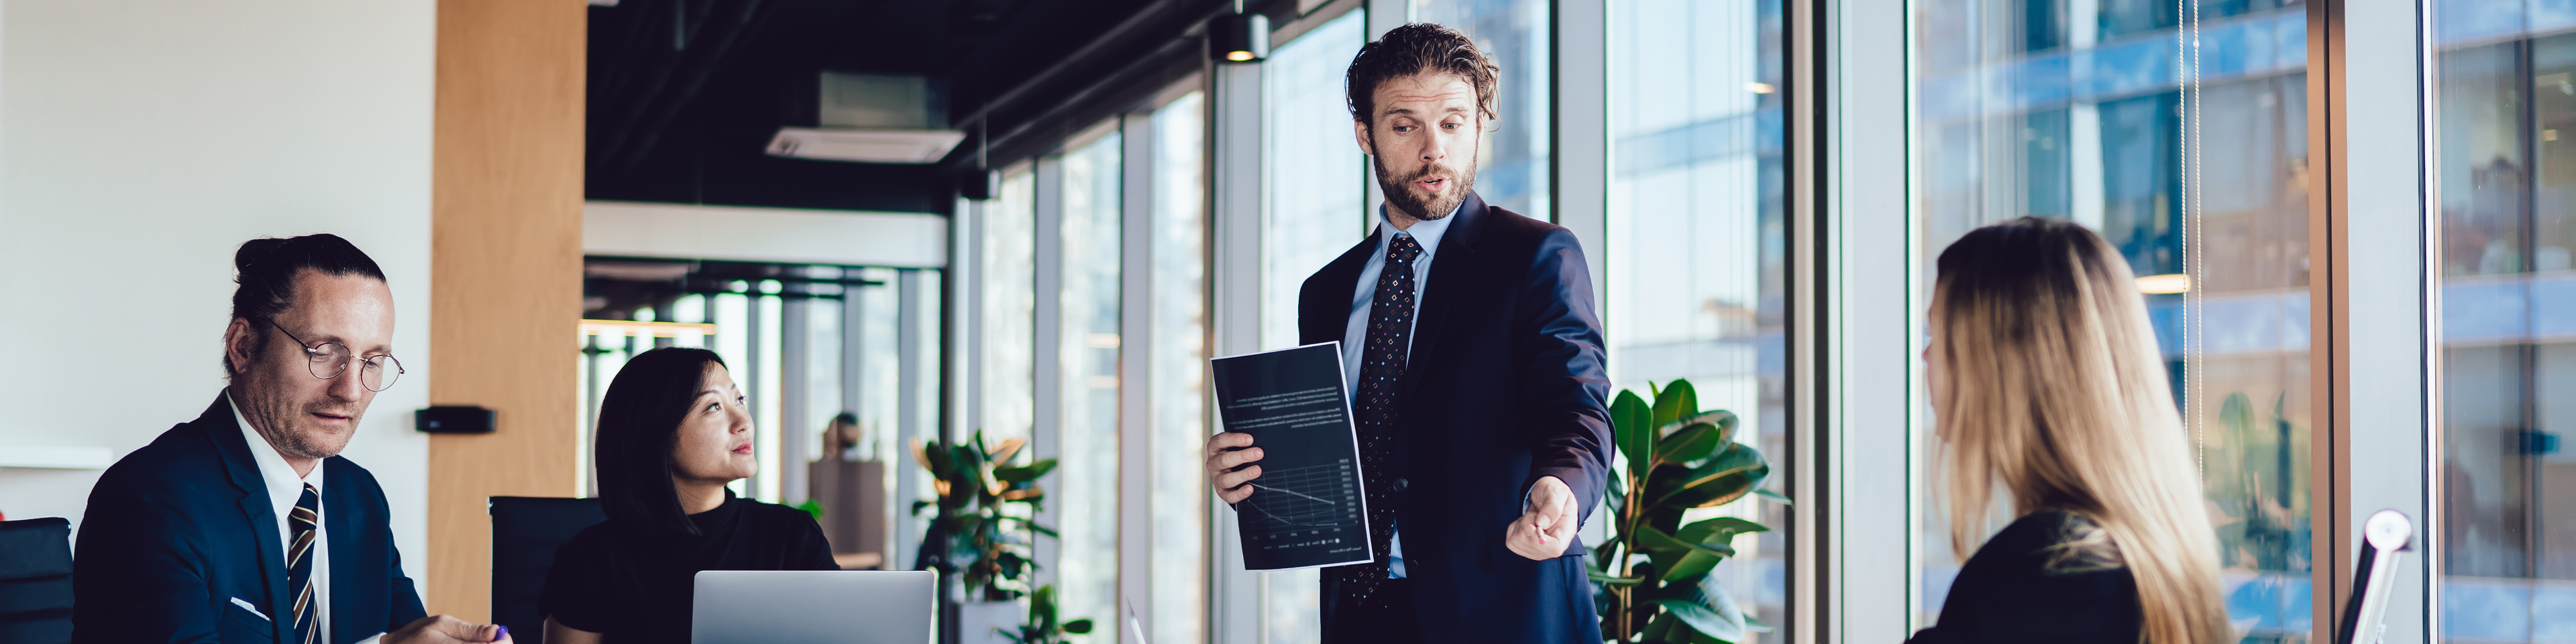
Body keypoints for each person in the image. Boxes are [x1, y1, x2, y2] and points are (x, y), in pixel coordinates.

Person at [1203, 23, 1611, 643]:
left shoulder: (1535, 256)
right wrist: (1250, 478)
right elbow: (1333, 452)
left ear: (1479, 126)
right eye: (1404, 126)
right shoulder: (1326, 291)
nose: (1434, 151)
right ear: (1366, 135)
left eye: (1453, 123)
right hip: (1362, 616)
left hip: (1504, 608)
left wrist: (1563, 487)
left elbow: (1577, 408)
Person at [74, 235, 508, 644]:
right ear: (243, 346)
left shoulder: (360, 497)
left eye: (373, 361)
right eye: (323, 351)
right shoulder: (148, 500)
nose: (351, 391)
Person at [1909, 217, 2230, 644]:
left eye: (1941, 332)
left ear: (2004, 363)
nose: (1926, 356)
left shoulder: (2047, 571)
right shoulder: (2131, 553)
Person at [541, 347, 836, 644]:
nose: (743, 421)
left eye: (739, 400)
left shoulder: (792, 535)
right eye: (713, 407)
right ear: (655, 434)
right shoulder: (592, 561)